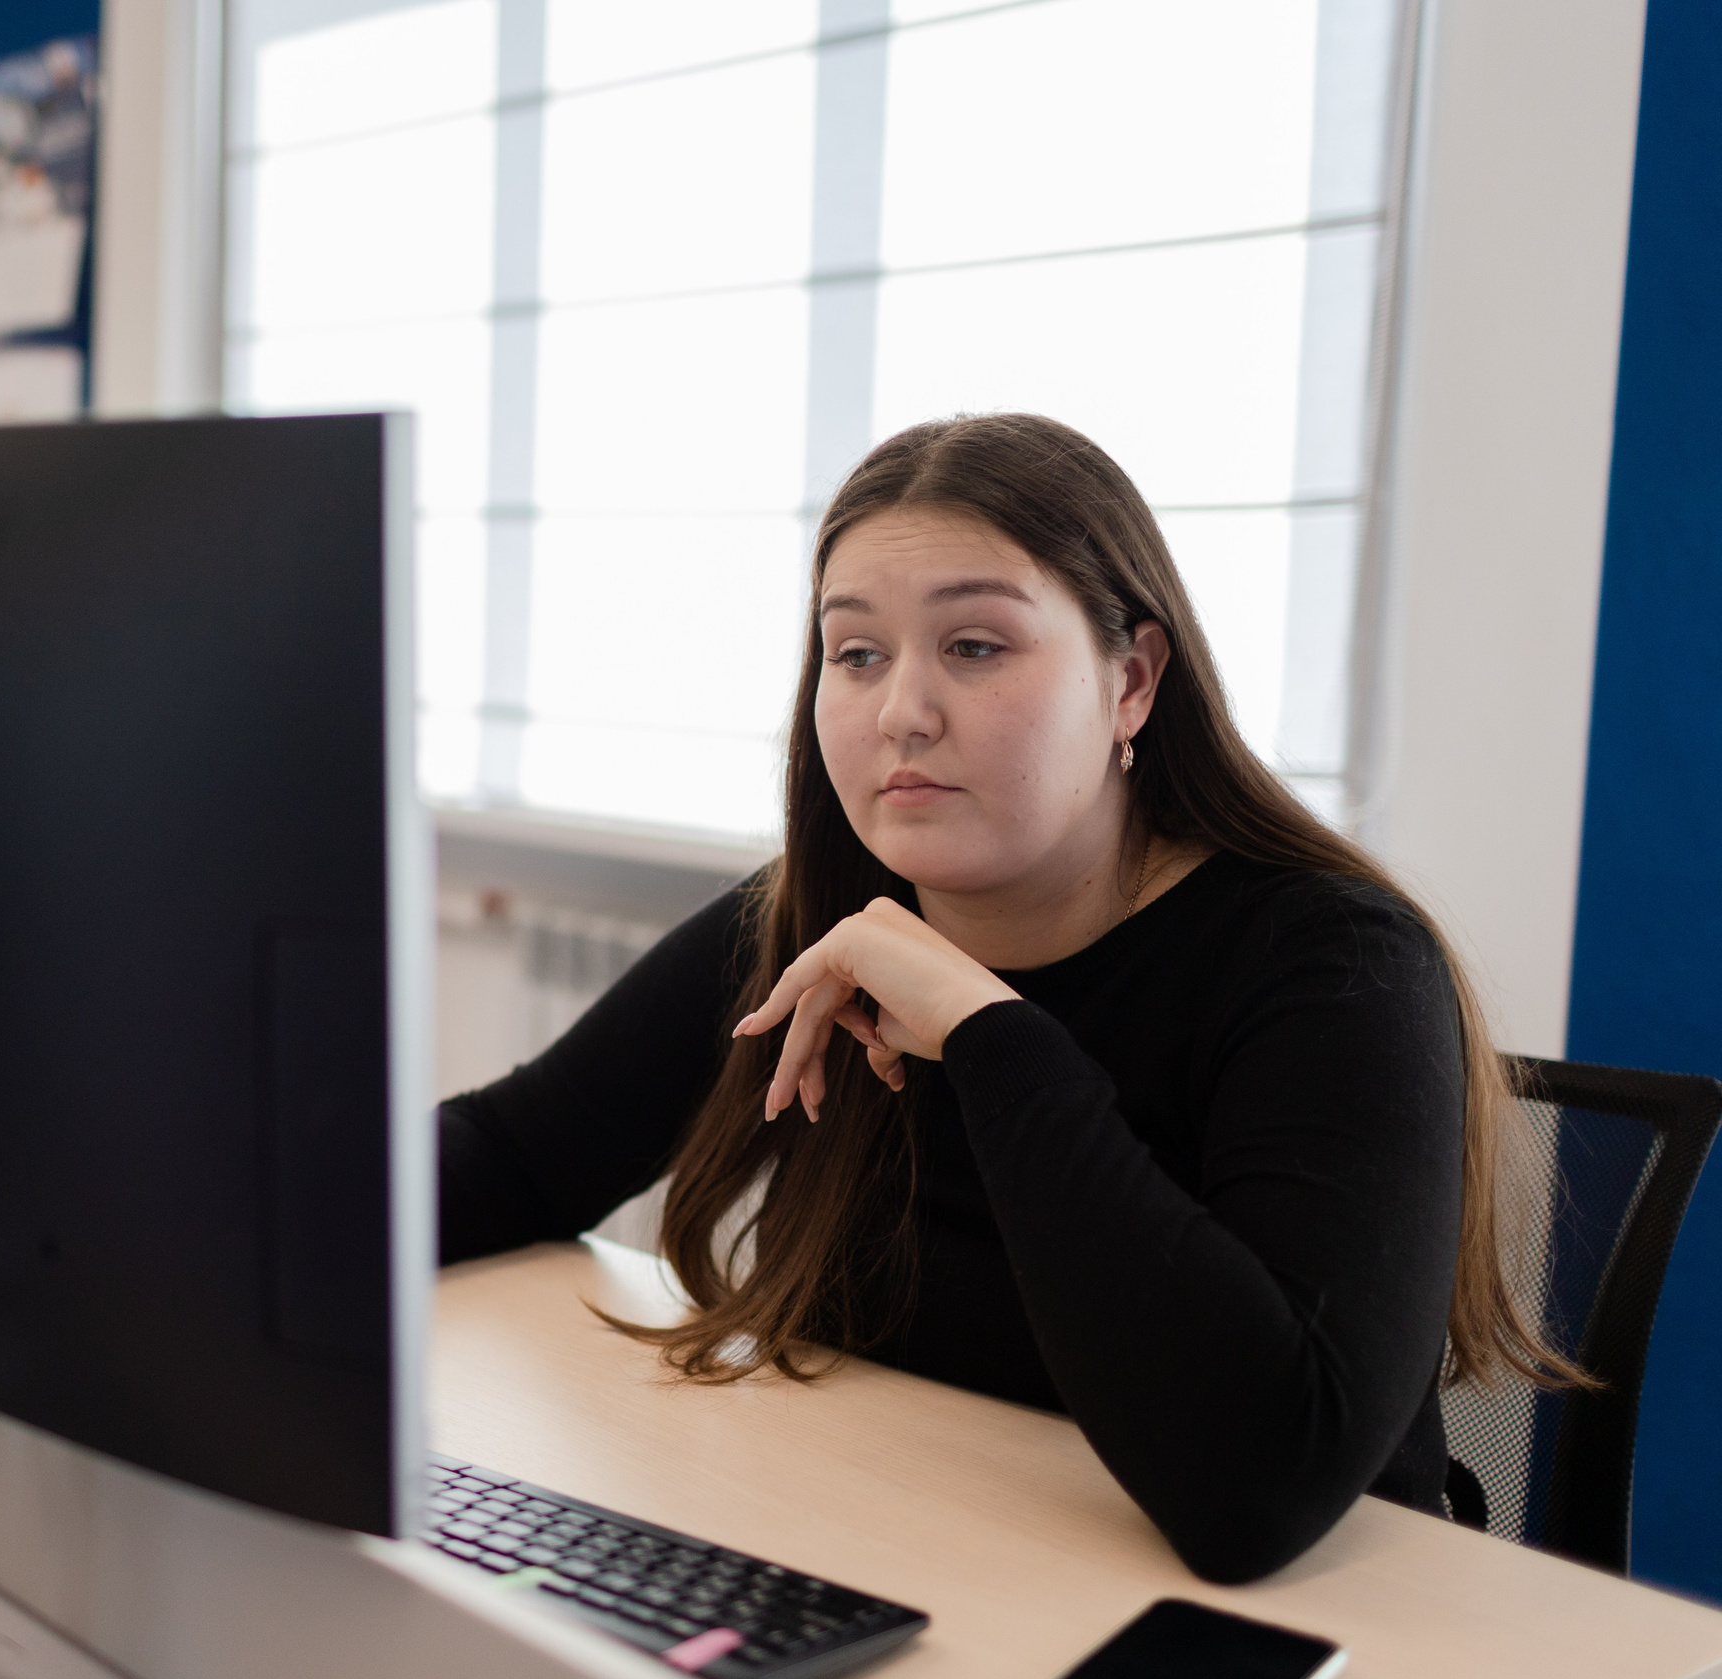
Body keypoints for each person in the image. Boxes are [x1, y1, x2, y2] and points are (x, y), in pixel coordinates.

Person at [437, 413, 1575, 1586]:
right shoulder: (816, 920)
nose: (900, 713)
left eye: (974, 647)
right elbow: (507, 1158)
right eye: (856, 654)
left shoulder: (1332, 964)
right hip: (917, 1565)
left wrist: (986, 1032)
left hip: (1283, 1637)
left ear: (1130, 682)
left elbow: (1256, 1488)